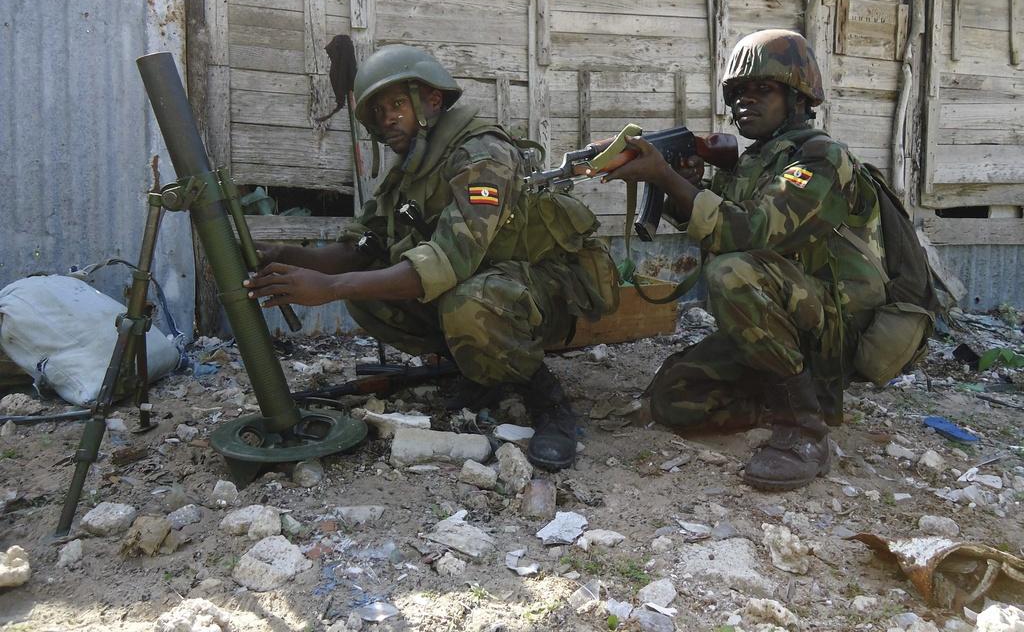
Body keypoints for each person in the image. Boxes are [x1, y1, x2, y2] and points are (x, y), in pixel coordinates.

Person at [244, 44, 619, 471]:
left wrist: (328, 287)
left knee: (469, 304)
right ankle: (481, 374)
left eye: (398, 104)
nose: (387, 119)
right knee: (369, 289)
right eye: (379, 110)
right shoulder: (412, 167)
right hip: (493, 283)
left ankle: (546, 400)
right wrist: (286, 254)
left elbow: (448, 260)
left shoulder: (481, 153)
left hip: (544, 288)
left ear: (432, 101)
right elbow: (361, 248)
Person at [605, 29, 887, 491]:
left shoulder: (819, 158)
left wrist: (665, 175)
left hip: (835, 325)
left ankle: (803, 432)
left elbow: (747, 232)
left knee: (732, 272)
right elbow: (715, 217)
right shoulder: (757, 162)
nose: (745, 102)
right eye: (737, 92)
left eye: (763, 90)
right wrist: (677, 183)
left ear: (797, 97)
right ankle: (793, 395)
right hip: (783, 323)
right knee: (673, 399)